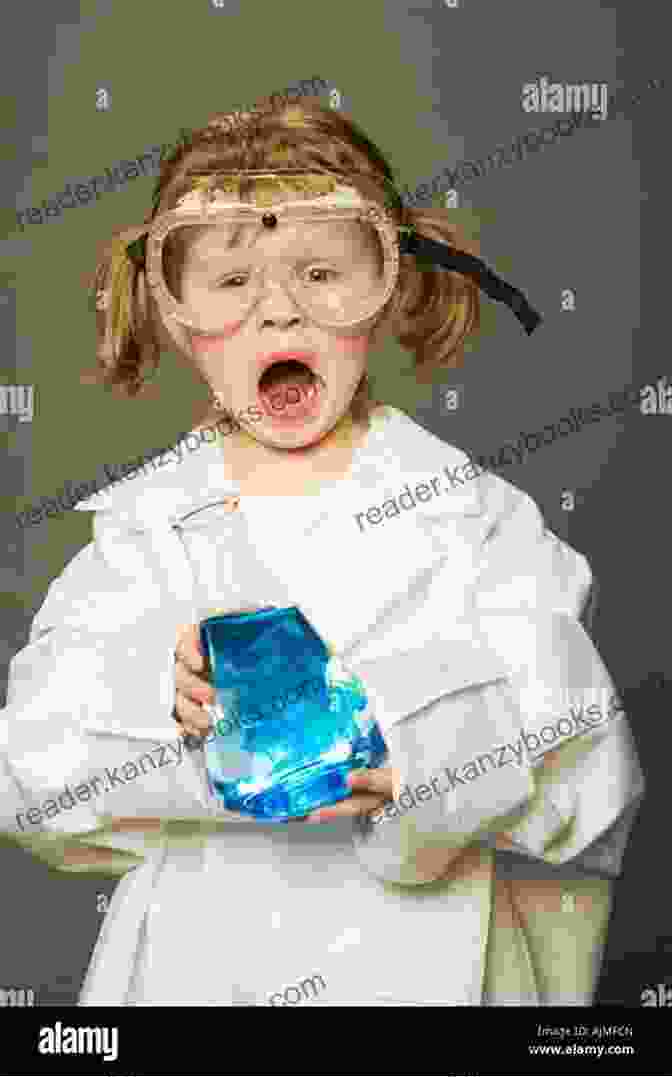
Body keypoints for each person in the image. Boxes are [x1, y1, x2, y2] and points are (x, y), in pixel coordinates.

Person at [0, 94, 644, 1006]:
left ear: (389, 290)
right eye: (231, 284)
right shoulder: (140, 536)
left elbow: (587, 763)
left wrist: (418, 746)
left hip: (430, 979)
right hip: (197, 975)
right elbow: (29, 769)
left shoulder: (475, 520)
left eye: (321, 273)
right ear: (177, 319)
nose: (279, 316)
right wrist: (158, 699)